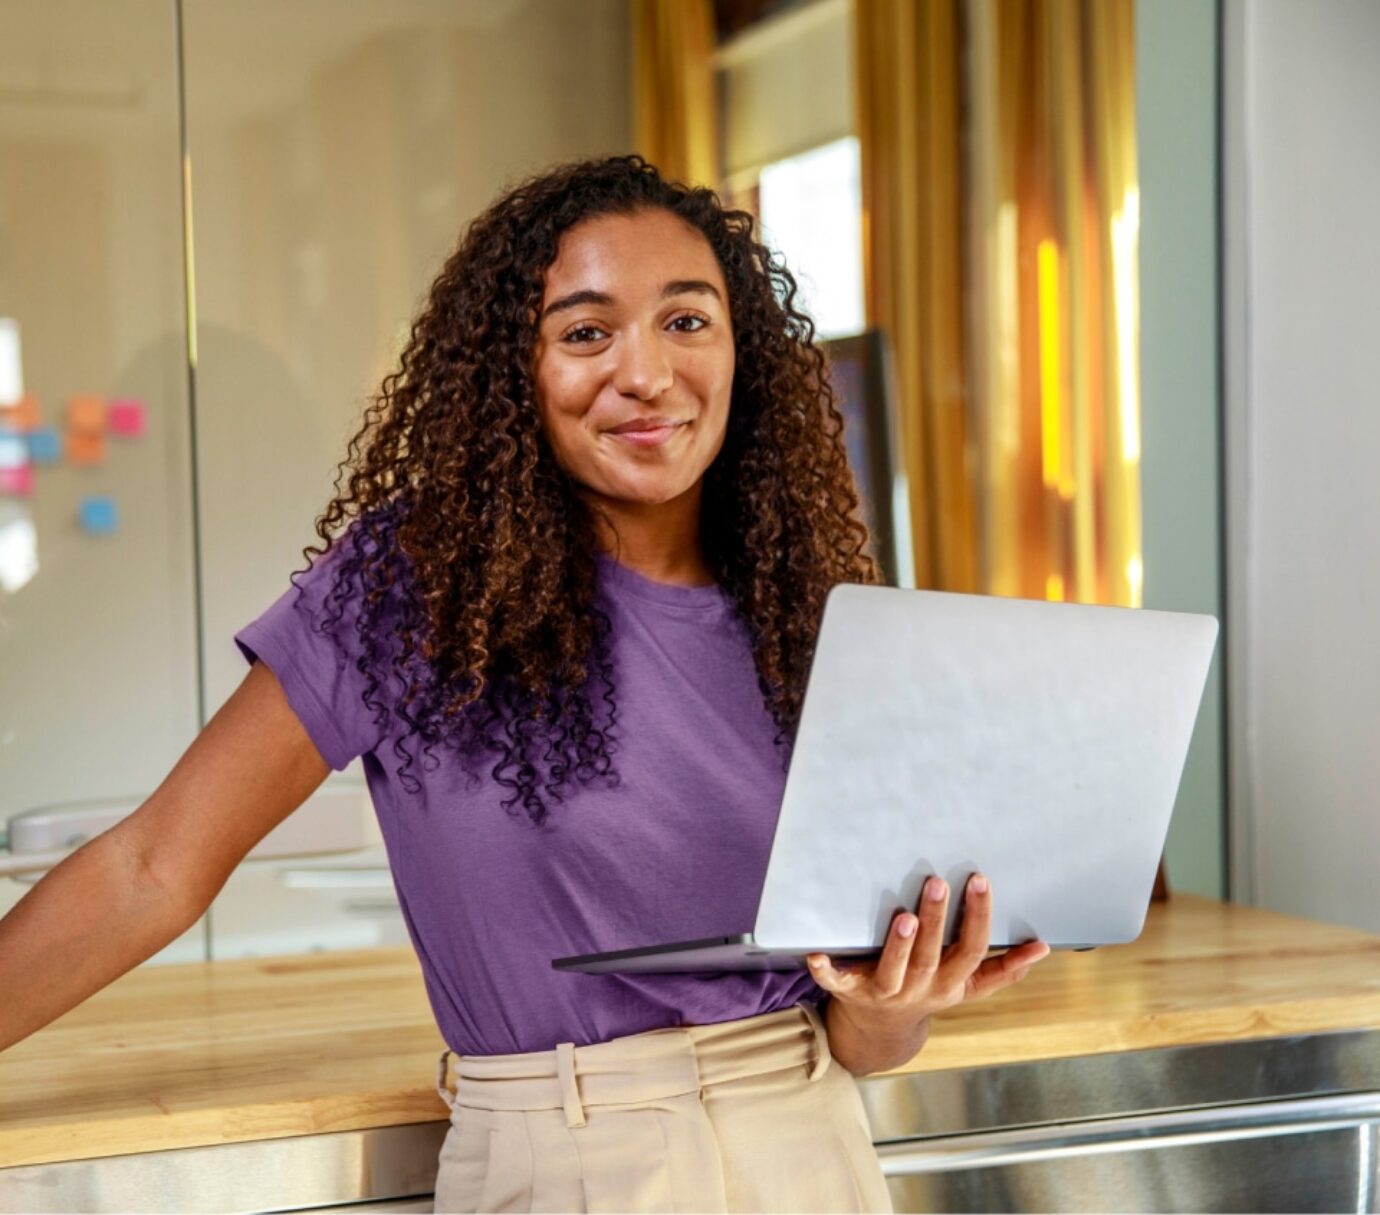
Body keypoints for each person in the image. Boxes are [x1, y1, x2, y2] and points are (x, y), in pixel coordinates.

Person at [0, 154, 1048, 1212]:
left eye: (687, 322)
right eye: (586, 332)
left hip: (812, 1151)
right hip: (565, 1165)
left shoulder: (808, 617)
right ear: (517, 371)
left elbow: (861, 1043)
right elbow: (152, 867)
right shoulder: (413, 588)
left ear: (745, 351)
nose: (646, 374)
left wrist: (896, 1002)